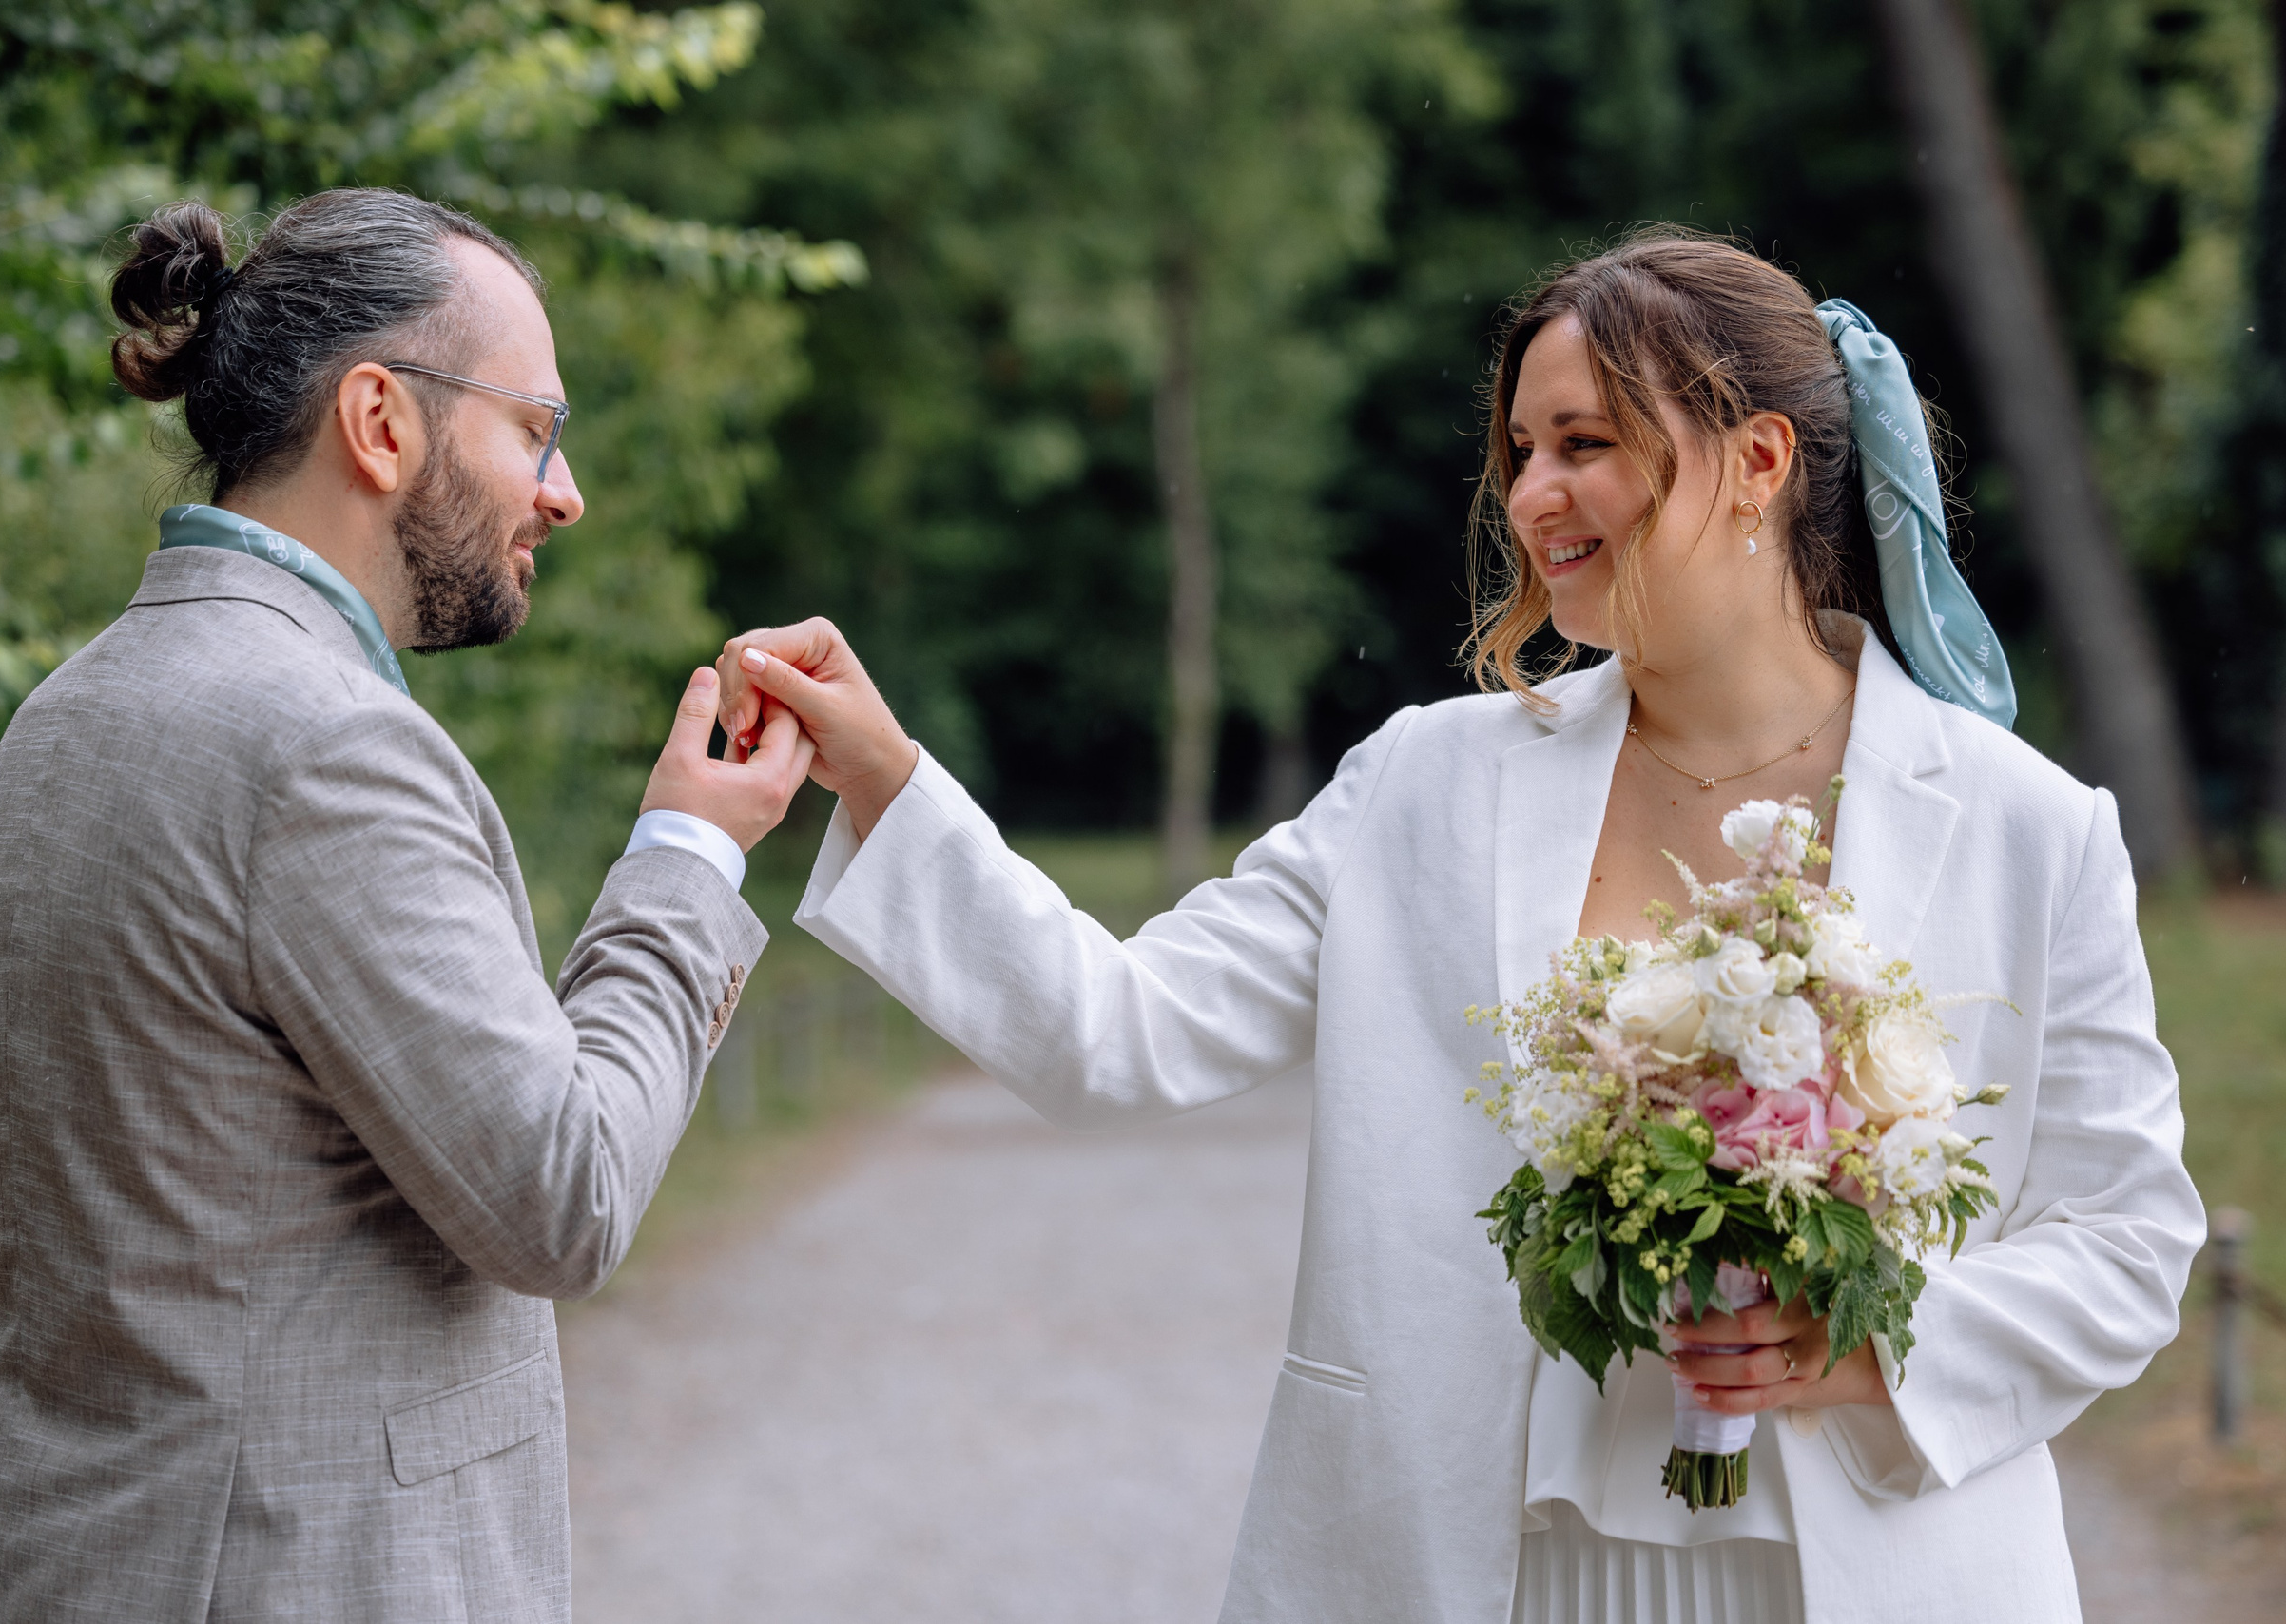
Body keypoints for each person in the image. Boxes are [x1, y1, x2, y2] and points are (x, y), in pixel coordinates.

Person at [712, 228, 2202, 1622]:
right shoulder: (1425, 785)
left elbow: (2127, 1237)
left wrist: (1878, 1342)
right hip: (1489, 1562)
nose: (1532, 494)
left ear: (1757, 463)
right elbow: (1121, 1028)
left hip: (1873, 1565)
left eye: (1588, 444)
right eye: (1521, 450)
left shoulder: (2025, 827)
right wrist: (885, 778)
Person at [0, 189, 812, 1622]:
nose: (564, 491)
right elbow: (563, 1198)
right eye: (535, 428)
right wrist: (687, 857)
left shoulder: (59, 717)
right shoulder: (328, 749)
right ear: (381, 421)